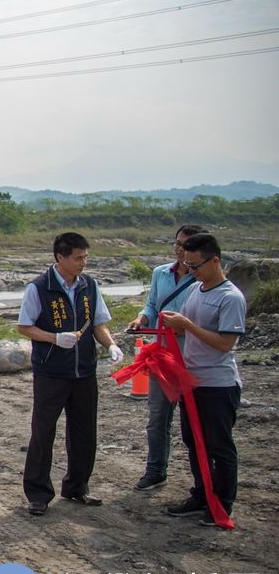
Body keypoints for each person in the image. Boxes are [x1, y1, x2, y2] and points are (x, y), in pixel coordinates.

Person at [17, 232, 123, 516]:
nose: (83, 263)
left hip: (84, 370)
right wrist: (54, 338)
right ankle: (38, 493)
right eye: (78, 258)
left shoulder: (89, 285)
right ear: (59, 258)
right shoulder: (39, 288)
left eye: (86, 257)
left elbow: (98, 322)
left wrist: (110, 344)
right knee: (43, 432)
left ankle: (78, 486)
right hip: (51, 371)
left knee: (84, 432)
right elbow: (25, 327)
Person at [159, 233, 246, 526]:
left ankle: (222, 503)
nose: (192, 271)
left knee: (218, 446)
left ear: (215, 260)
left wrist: (186, 325)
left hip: (218, 385)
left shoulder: (230, 297)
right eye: (189, 265)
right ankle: (201, 494)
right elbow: (185, 329)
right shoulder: (197, 289)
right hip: (192, 382)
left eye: (196, 266)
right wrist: (171, 326)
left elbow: (224, 343)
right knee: (193, 441)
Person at [127, 224, 207, 491]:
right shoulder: (160, 273)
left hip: (193, 357)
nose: (180, 250)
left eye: (186, 245)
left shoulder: (204, 279)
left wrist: (185, 326)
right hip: (162, 356)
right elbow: (152, 304)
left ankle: (203, 482)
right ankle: (155, 470)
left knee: (195, 421)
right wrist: (142, 318)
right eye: (177, 244)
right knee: (157, 416)